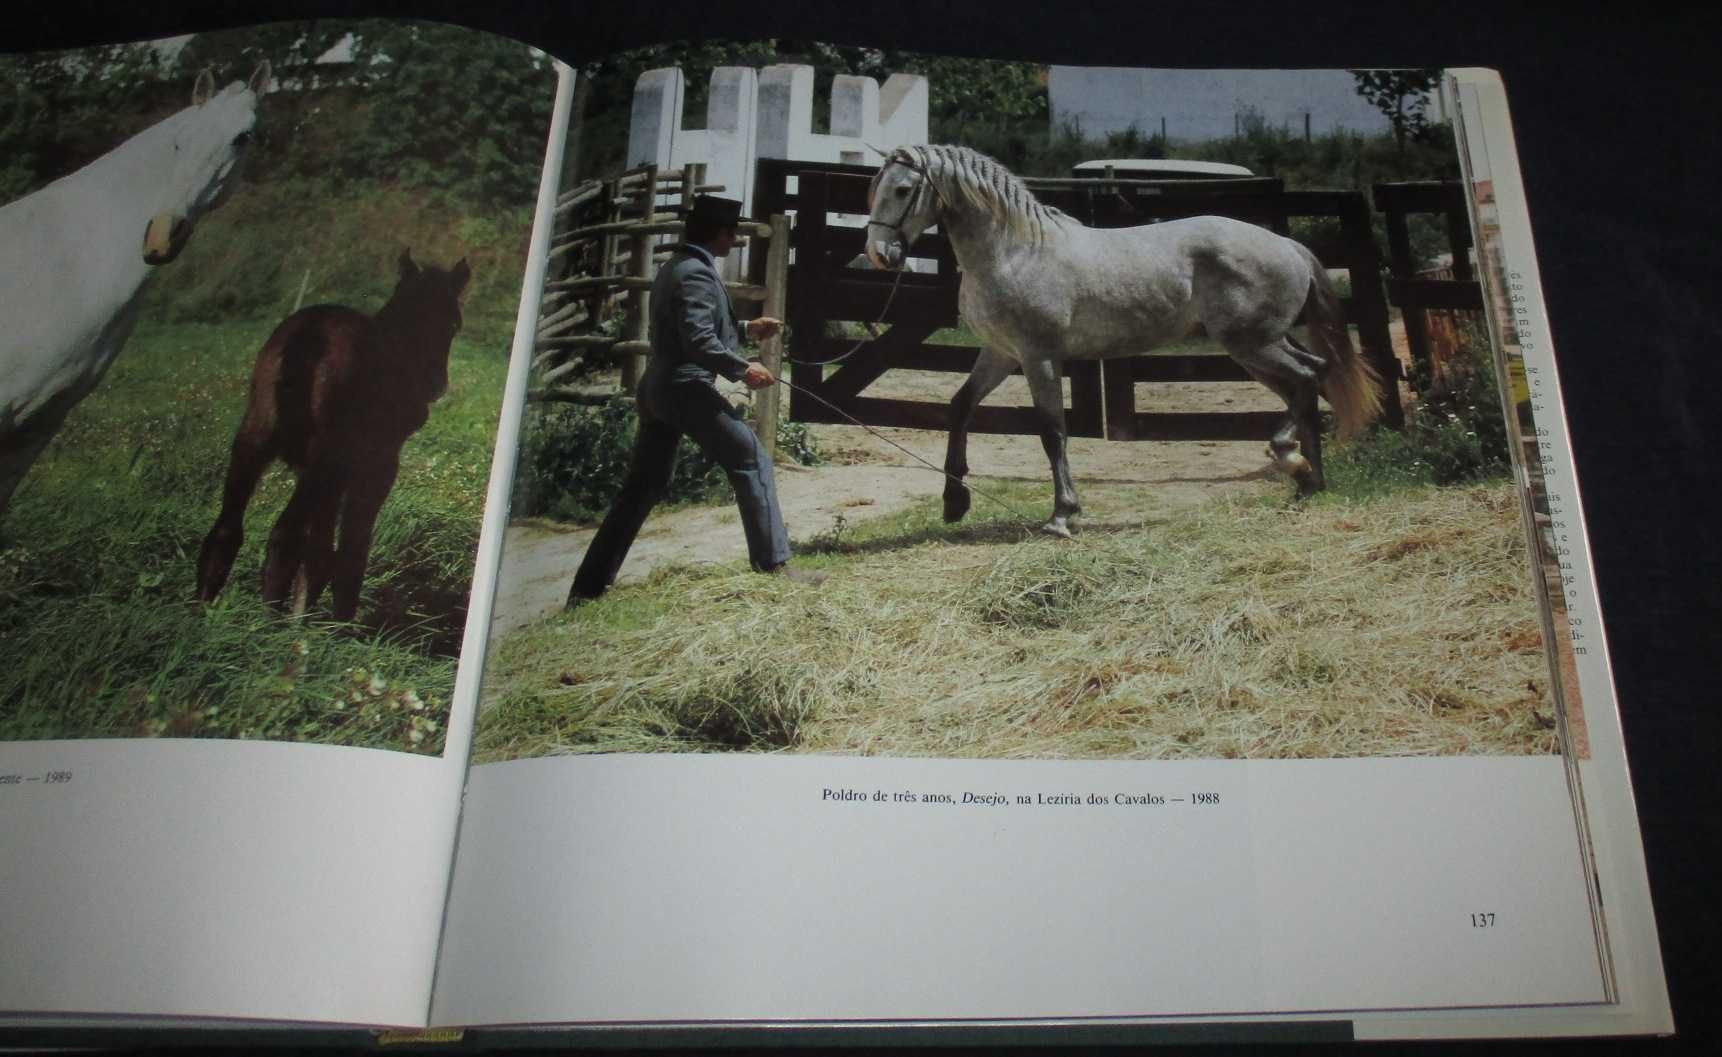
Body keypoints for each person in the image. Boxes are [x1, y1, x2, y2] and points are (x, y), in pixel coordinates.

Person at [568, 194, 825, 604]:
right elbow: (698, 340)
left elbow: (692, 329)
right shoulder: (697, 275)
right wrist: (744, 369)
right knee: (751, 460)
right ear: (719, 234)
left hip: (658, 388)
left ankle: (587, 588)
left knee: (643, 487)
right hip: (685, 389)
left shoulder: (677, 267)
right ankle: (775, 566)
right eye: (732, 233)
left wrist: (747, 327)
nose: (734, 240)